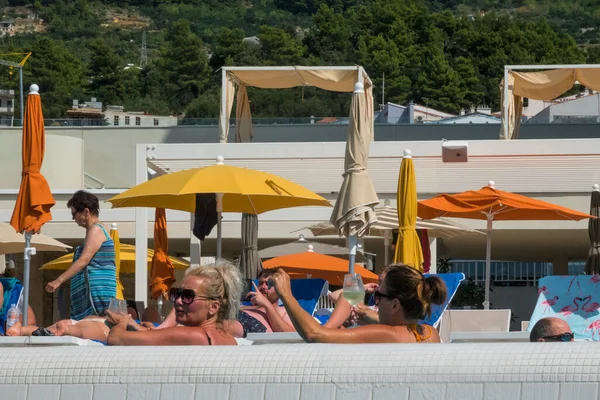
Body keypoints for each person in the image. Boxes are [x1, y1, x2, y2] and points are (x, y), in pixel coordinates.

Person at [272, 263, 447, 343]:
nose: (376, 302)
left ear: (395, 305)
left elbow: (315, 334)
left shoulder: (389, 334)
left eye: (379, 296)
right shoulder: (430, 333)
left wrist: (286, 295)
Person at [106, 261, 243, 345]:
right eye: (177, 293)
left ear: (213, 307)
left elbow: (115, 338)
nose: (178, 300)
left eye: (188, 296)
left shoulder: (194, 335)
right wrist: (134, 325)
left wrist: (122, 321)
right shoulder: (229, 339)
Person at [149, 269, 295, 337]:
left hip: (251, 327)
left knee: (216, 324)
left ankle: (161, 333)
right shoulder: (246, 304)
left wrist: (267, 306)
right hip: (234, 317)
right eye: (261, 283)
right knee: (188, 298)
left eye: (269, 284)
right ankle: (162, 328)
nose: (263, 287)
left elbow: (291, 335)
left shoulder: (285, 311)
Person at [45, 190, 117, 319]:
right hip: (94, 292)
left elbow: (84, 260)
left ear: (86, 212)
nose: (73, 218)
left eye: (74, 214)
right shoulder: (97, 229)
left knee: (92, 329)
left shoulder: (96, 230)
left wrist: (58, 281)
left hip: (96, 293)